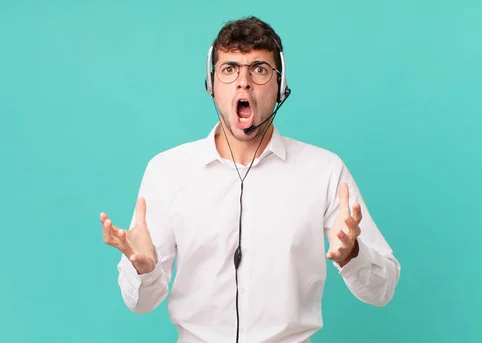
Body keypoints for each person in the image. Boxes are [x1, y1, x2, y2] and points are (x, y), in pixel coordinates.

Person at [100, 16, 401, 343]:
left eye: (259, 69)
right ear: (211, 85)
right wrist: (143, 269)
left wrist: (352, 255)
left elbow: (382, 290)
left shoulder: (324, 170)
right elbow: (141, 304)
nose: (243, 82)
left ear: (280, 85)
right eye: (229, 69)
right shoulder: (167, 171)